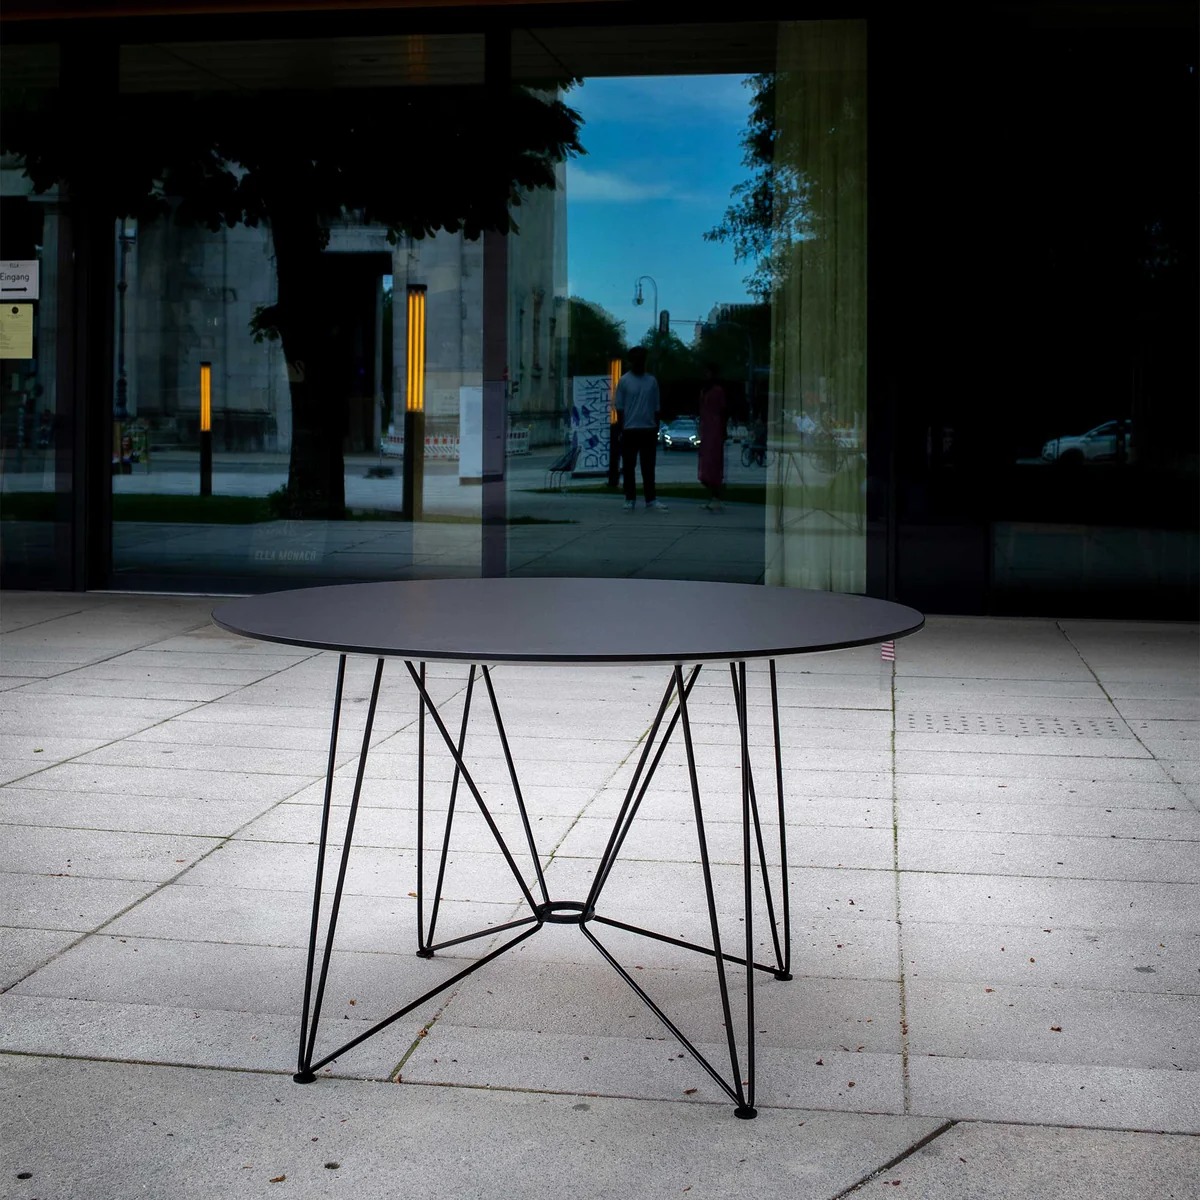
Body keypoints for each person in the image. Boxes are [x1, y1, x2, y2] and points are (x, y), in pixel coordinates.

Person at [614, 346, 667, 511]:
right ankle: (630, 498)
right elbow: (620, 408)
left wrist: (655, 428)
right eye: (636, 360)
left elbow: (657, 407)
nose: (639, 363)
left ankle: (650, 499)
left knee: (648, 467)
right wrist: (622, 429)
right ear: (631, 362)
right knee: (629, 467)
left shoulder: (651, 381)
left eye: (641, 360)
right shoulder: (624, 381)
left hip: (648, 429)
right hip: (630, 429)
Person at [697, 363, 727, 511]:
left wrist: (722, 430)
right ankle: (712, 496)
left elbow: (723, 411)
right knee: (706, 465)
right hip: (706, 430)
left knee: (713, 464)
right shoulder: (704, 391)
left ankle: (716, 496)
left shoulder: (717, 391)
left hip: (714, 430)